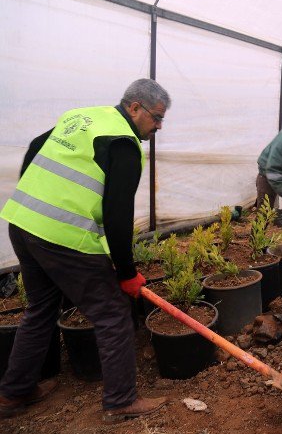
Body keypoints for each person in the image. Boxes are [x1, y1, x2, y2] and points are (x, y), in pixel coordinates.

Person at [0, 79, 170, 420]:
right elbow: (118, 217)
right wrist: (127, 274)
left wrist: (34, 192)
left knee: (40, 309)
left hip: (22, 222)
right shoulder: (124, 143)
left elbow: (36, 145)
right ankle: (121, 401)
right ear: (135, 108)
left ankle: (13, 395)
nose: (159, 126)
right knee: (112, 313)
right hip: (61, 235)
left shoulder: (85, 116)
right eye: (156, 117)